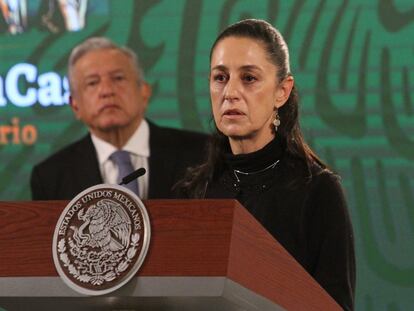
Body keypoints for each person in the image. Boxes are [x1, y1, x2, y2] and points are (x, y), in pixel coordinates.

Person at [177, 19, 355, 311]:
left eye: (249, 78)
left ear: (281, 92)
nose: (230, 92)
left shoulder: (318, 190)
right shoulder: (197, 189)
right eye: (220, 77)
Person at [31, 37, 208, 200]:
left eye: (118, 78)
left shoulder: (203, 154)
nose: (107, 91)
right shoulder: (50, 177)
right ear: (75, 105)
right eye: (92, 83)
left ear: (144, 92)